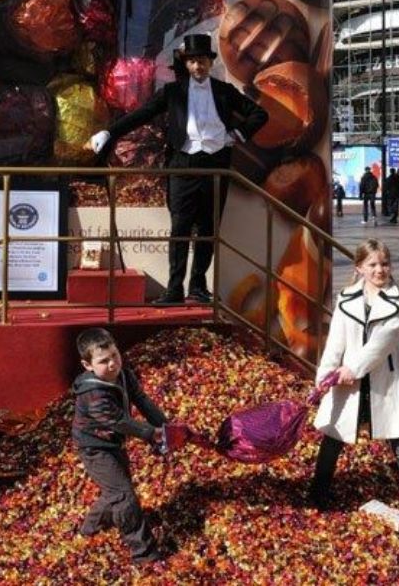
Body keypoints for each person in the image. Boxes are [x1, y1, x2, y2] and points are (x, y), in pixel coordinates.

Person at [90, 33, 268, 305]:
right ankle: (174, 289)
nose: (198, 67)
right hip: (182, 165)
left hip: (215, 164)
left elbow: (259, 114)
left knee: (209, 228)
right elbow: (142, 114)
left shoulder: (223, 91)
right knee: (180, 229)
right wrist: (109, 132)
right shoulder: (172, 93)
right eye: (193, 62)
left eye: (203, 61)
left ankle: (198, 286)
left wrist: (238, 134)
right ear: (186, 64)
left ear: (210, 63)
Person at [309, 239, 399, 518]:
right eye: (373, 264)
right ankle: (316, 495)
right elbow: (335, 341)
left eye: (384, 264)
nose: (380, 270)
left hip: (383, 379)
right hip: (346, 382)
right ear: (359, 268)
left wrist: (353, 368)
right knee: (332, 438)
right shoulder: (346, 298)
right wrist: (324, 377)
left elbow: (385, 340)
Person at [72, 327, 167, 563]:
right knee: (124, 496)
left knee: (115, 490)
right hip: (94, 447)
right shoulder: (93, 393)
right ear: (88, 365)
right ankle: (143, 553)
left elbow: (141, 399)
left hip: (113, 442)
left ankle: (90, 528)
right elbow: (117, 421)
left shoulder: (124, 374)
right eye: (104, 361)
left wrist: (166, 426)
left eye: (114, 355)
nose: (113, 364)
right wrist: (150, 433)